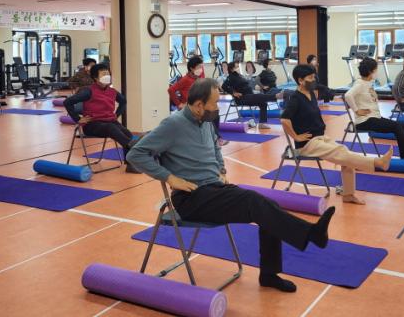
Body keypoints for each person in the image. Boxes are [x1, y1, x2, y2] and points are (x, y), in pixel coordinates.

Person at [126, 79, 336, 293]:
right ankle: (311, 233)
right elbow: (135, 154)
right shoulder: (173, 125)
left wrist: (222, 169)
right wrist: (170, 178)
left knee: (268, 205)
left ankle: (269, 274)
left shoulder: (205, 121)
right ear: (198, 105)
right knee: (254, 202)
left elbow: (216, 148)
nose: (217, 108)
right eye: (214, 103)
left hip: (214, 190)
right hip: (191, 198)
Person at [281, 64, 393, 205]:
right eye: (310, 78)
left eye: (314, 77)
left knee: (346, 155)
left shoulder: (311, 94)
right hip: (307, 144)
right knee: (341, 152)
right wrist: (296, 137)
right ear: (300, 80)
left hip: (320, 138)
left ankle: (348, 195)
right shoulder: (295, 99)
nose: (314, 80)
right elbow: (284, 120)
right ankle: (377, 162)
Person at [345, 58, 404, 160]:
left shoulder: (368, 83)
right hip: (365, 121)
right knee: (396, 126)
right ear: (370, 71)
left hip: (374, 118)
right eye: (376, 70)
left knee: (402, 125)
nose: (377, 72)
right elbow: (348, 95)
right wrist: (356, 110)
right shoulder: (360, 84)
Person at [64, 63, 137, 172]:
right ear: (95, 78)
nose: (107, 76)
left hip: (110, 122)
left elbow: (123, 102)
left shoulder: (112, 91)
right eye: (103, 74)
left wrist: (116, 115)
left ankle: (130, 164)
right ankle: (133, 146)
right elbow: (67, 102)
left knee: (127, 134)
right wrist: (77, 119)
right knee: (112, 129)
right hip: (92, 124)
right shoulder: (88, 91)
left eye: (108, 73)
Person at [168, 56, 227, 146]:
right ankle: (217, 139)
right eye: (199, 67)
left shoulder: (200, 77)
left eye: (201, 67)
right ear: (192, 68)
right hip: (190, 108)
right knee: (209, 117)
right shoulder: (185, 79)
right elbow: (171, 90)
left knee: (215, 115)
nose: (201, 69)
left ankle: (215, 138)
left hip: (200, 105)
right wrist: (179, 104)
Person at [222, 61, 283, 129]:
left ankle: (262, 124)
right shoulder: (231, 77)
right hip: (242, 98)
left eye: (238, 67)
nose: (238, 68)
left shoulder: (239, 76)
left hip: (249, 96)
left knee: (263, 103)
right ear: (232, 69)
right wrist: (233, 93)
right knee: (259, 96)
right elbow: (224, 86)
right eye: (236, 67)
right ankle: (276, 96)